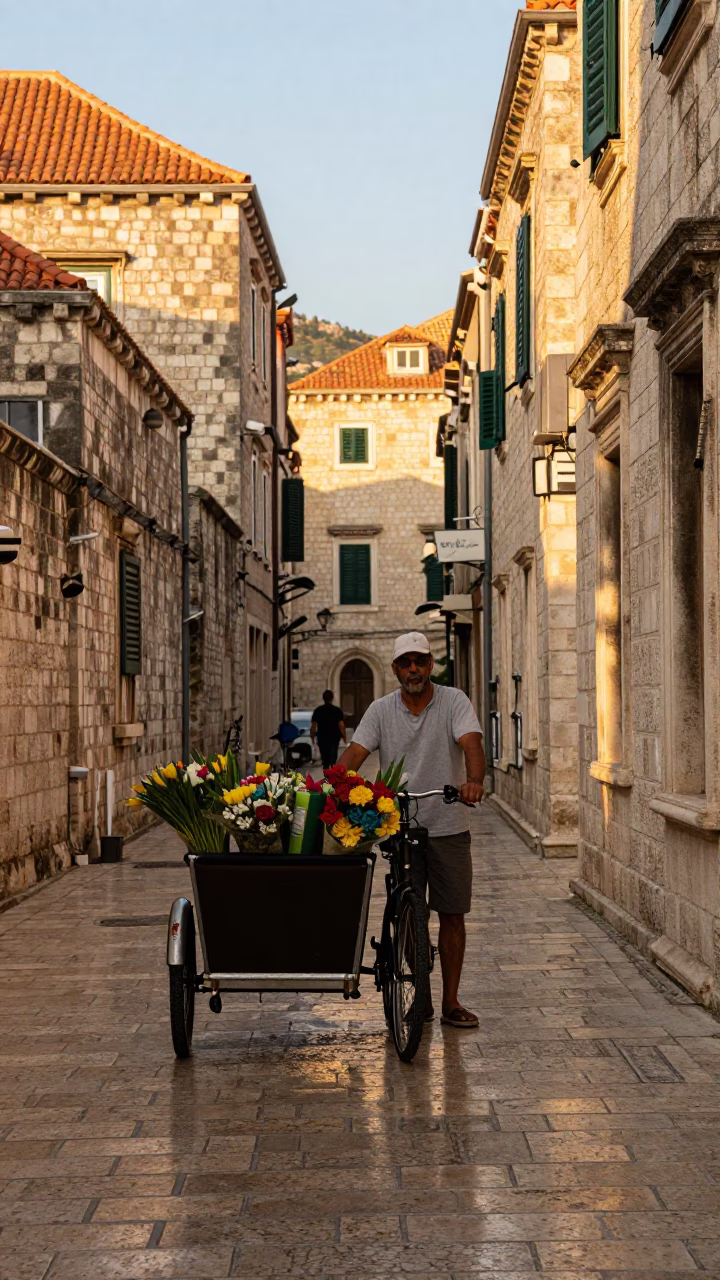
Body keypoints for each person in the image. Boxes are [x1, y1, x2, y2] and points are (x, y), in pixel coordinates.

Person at [338, 631, 485, 1029]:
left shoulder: (453, 701)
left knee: (452, 913)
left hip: (449, 822)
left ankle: (451, 1001)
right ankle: (420, 992)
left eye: (420, 661)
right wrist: (334, 785)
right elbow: (355, 753)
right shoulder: (382, 710)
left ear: (430, 663)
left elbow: (471, 742)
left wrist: (473, 780)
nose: (413, 669)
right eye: (406, 663)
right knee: (406, 912)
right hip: (399, 824)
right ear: (395, 669)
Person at [311, 690, 347, 769]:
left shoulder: (318, 710)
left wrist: (312, 737)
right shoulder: (337, 710)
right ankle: (332, 775)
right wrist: (344, 737)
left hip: (322, 738)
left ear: (323, 698)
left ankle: (326, 775)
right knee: (333, 758)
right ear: (332, 698)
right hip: (334, 738)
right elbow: (341, 725)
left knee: (325, 759)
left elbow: (313, 726)